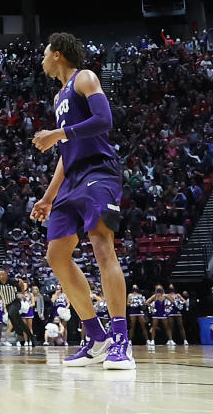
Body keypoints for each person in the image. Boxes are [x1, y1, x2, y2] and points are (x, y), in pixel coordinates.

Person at [31, 32, 134, 370]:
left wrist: (57, 133)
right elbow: (66, 152)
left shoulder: (85, 78)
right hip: (73, 179)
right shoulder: (59, 95)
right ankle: (97, 337)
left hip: (99, 173)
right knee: (56, 254)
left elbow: (104, 121)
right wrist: (48, 197)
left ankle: (121, 339)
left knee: (102, 244)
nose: (43, 59)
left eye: (46, 53)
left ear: (58, 54)